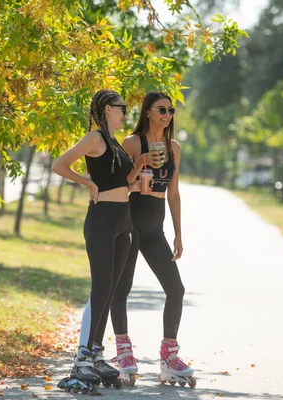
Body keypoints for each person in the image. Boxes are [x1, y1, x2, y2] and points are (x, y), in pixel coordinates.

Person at [52, 89, 137, 394]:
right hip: (101, 221)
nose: (125, 112)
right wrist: (88, 183)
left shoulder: (115, 143)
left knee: (111, 290)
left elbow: (121, 180)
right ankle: (81, 360)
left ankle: (97, 354)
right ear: (105, 109)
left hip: (123, 222)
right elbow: (59, 164)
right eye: (121, 107)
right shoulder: (95, 138)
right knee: (100, 288)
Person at [110, 91, 196, 388]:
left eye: (171, 110)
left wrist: (179, 233)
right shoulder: (132, 144)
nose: (167, 114)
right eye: (162, 109)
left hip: (155, 226)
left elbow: (173, 192)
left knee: (176, 288)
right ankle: (123, 352)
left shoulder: (174, 148)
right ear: (147, 111)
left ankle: (169, 356)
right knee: (121, 288)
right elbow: (118, 185)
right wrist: (140, 166)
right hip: (130, 221)